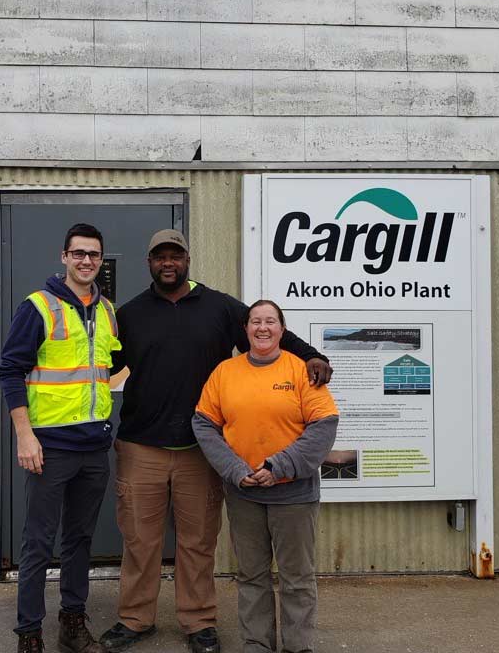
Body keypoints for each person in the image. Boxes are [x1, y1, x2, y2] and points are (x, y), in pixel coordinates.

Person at [99, 231, 332, 653]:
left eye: (176, 255)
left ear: (188, 259)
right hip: (140, 446)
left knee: (198, 542)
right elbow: (102, 365)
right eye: (159, 257)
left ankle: (198, 621)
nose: (168, 263)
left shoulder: (220, 307)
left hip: (200, 451)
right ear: (149, 262)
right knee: (139, 540)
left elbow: (271, 333)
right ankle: (135, 619)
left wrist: (315, 355)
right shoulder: (129, 314)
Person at [0, 223, 120, 653]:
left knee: (79, 540)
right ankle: (29, 634)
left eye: (94, 255)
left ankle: (72, 623)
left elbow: (111, 367)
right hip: (50, 447)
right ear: (64, 257)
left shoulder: (107, 311)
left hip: (94, 448)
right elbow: (10, 371)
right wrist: (24, 436)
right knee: (37, 544)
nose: (87, 261)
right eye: (79, 253)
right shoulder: (38, 307)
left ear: (101, 261)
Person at [192, 299, 339, 653]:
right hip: (244, 494)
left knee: (297, 579)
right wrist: (236, 470)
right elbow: (204, 424)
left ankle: (297, 645)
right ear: (245, 330)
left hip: (294, 496)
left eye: (270, 321)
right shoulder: (225, 372)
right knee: (252, 576)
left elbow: (324, 426)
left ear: (282, 329)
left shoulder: (302, 371)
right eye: (255, 321)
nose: (262, 328)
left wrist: (279, 467)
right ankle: (256, 643)